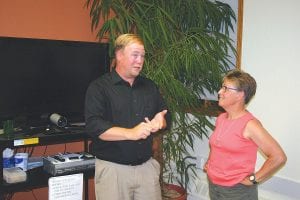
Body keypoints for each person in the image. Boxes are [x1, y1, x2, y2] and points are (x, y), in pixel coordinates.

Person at [85, 33, 171, 200]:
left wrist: (161, 121)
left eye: (143, 56)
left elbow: (166, 115)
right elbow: (94, 126)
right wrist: (131, 133)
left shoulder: (149, 86)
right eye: (135, 55)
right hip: (113, 171)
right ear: (119, 55)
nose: (140, 61)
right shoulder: (99, 87)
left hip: (147, 170)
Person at [204, 69, 287, 200]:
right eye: (222, 87)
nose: (220, 92)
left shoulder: (250, 125)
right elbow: (217, 145)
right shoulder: (221, 118)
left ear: (240, 95)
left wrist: (253, 179)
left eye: (225, 88)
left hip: (237, 191)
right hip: (214, 185)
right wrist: (210, 162)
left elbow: (278, 157)